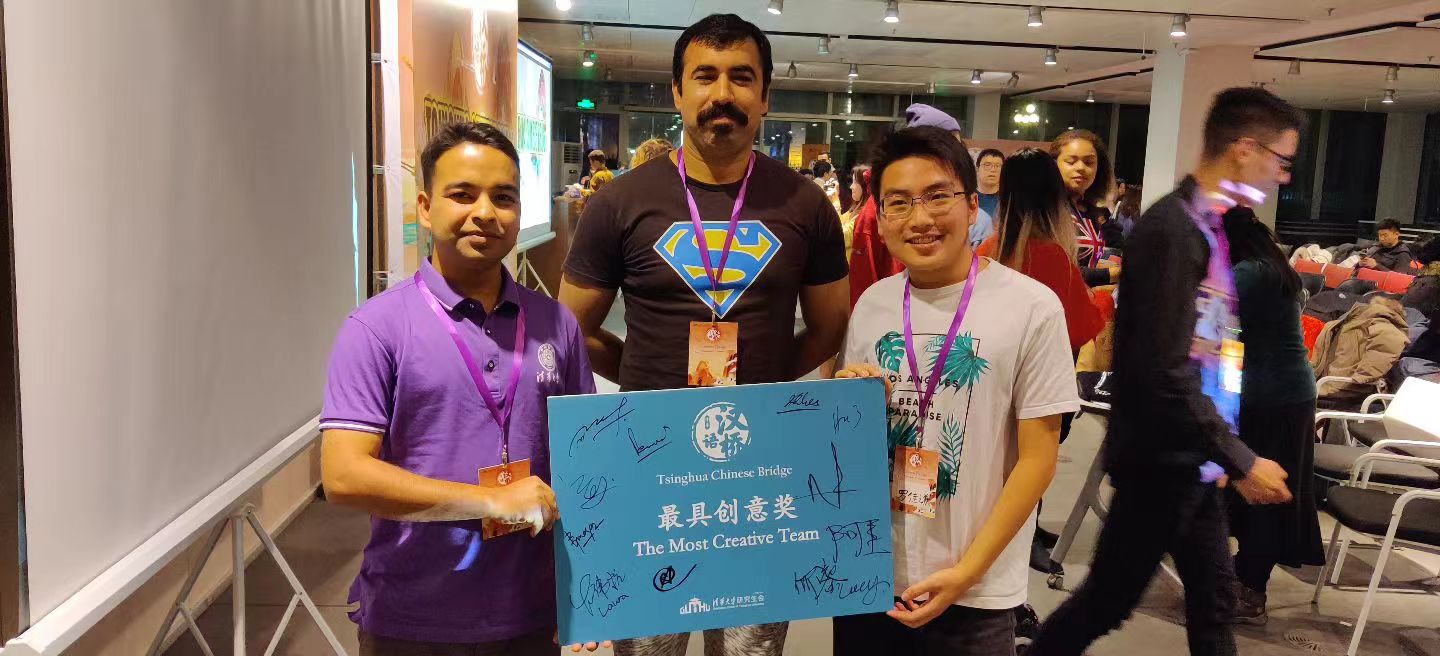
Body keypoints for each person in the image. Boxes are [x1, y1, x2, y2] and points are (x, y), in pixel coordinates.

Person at [559, 14, 850, 656]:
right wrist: (644, 373)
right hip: (650, 459)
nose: (723, 93)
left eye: (741, 77)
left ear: (765, 96)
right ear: (677, 91)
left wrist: (765, 379)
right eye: (705, 76)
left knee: (750, 648)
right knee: (647, 645)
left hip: (764, 465)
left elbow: (829, 326)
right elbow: (572, 326)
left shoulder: (805, 205)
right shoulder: (619, 202)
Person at [1029, 87, 1301, 656]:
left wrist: (1222, 450)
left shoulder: (1205, 227)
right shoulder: (1172, 231)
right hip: (1161, 460)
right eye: (1280, 160)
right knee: (1107, 602)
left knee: (1212, 606)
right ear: (1245, 149)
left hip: (1190, 456)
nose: (1283, 176)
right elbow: (1165, 370)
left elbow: (1205, 351)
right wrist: (1240, 457)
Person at [318, 122, 603, 655]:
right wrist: (487, 501)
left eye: (503, 197)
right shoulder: (376, 328)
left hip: (529, 613)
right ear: (426, 208)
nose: (486, 213)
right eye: (463, 195)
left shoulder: (556, 324)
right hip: (413, 618)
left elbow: (585, 463)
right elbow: (343, 475)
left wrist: (587, 588)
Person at [833, 126, 1079, 656]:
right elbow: (850, 446)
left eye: (937, 196)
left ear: (972, 207)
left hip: (975, 587)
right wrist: (849, 399)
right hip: (870, 574)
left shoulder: (1031, 308)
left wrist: (967, 572)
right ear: (880, 218)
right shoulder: (873, 304)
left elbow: (1038, 459)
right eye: (899, 202)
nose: (919, 218)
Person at [1219, 206, 1325, 626]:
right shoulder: (1272, 266)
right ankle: (1242, 577)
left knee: (1262, 494)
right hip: (1286, 393)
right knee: (1258, 490)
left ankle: (1249, 590)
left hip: (1274, 396)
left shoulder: (1250, 273)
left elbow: (1206, 318)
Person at [1051, 130, 1121, 285]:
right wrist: (1109, 275)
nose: (1081, 168)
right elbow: (1053, 269)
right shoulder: (1047, 211)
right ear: (1054, 164)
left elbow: (1114, 254)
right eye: (1071, 161)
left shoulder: (1098, 213)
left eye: (1089, 162)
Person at [839, 163, 872, 260]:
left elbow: (839, 235)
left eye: (855, 182)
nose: (851, 187)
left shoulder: (866, 215)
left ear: (865, 187)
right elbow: (838, 222)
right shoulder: (855, 208)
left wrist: (834, 202)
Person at [972, 148, 1003, 246]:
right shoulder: (968, 199)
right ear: (977, 169)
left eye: (998, 166)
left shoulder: (1009, 200)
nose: (993, 170)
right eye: (987, 165)